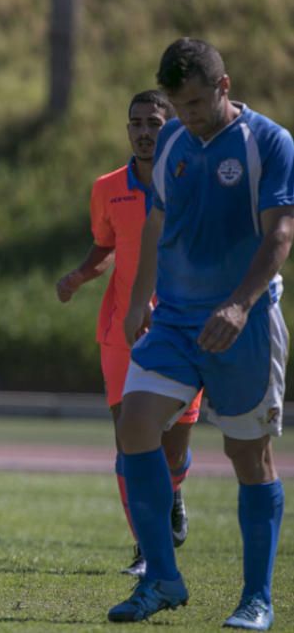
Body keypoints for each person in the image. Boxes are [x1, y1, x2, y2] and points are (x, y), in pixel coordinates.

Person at [108, 38, 292, 629]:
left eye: (193, 103)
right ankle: (162, 579)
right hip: (177, 318)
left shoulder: (269, 142)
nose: (185, 117)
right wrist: (140, 301)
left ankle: (257, 599)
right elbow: (158, 220)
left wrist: (239, 306)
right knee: (135, 421)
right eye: (176, 106)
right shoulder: (171, 143)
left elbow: (280, 235)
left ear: (223, 86)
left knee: (248, 454)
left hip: (245, 321)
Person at [56, 90, 202, 578]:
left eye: (154, 123)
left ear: (172, 128)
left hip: (182, 328)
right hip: (123, 328)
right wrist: (79, 276)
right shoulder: (107, 188)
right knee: (128, 441)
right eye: (136, 123)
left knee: (172, 449)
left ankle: (175, 490)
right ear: (127, 130)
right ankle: (146, 546)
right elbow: (105, 246)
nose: (144, 131)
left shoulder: (192, 183)